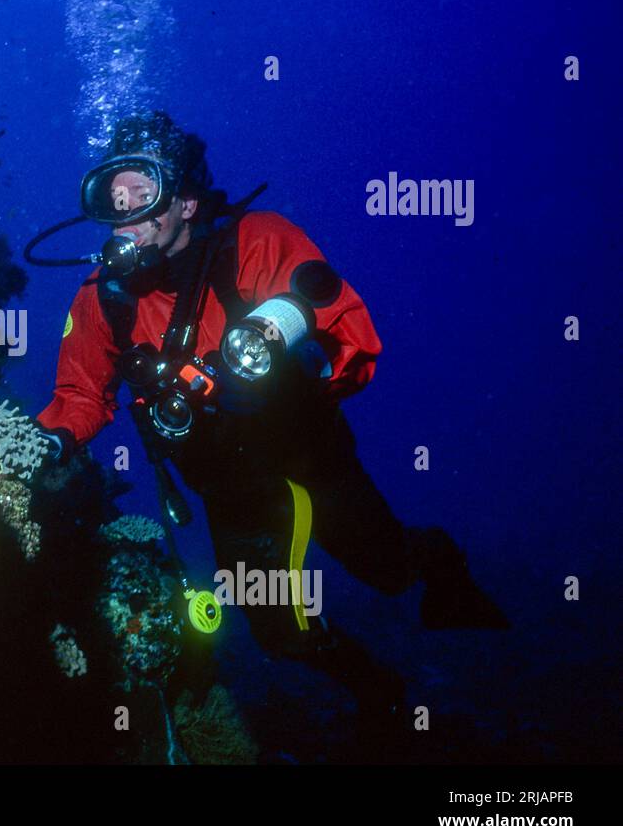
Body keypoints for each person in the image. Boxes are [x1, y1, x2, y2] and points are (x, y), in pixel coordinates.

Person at [33, 111, 508, 737]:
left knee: (389, 572)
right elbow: (79, 395)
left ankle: (440, 562)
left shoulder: (256, 241)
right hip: (230, 492)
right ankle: (384, 698)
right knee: (277, 634)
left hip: (309, 459)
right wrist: (43, 443)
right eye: (112, 197)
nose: (125, 213)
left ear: (185, 201)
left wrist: (284, 345)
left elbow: (348, 333)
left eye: (141, 194)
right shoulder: (103, 298)